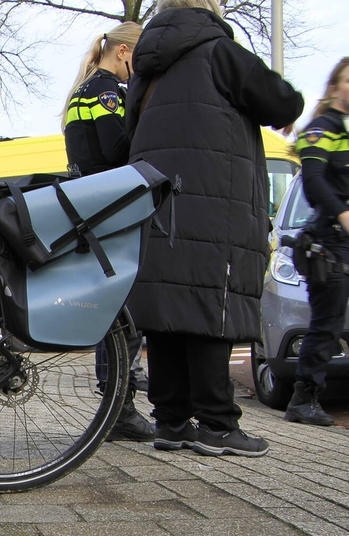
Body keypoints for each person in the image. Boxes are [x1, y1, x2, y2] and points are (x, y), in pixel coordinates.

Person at [124, 0, 303, 457]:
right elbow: (282, 100)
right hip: (213, 203)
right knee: (210, 307)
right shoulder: (219, 51)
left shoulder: (147, 65)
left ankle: (170, 421)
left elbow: (130, 129)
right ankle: (218, 424)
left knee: (165, 309)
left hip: (158, 203)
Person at [62, 21, 153, 443]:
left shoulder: (80, 91)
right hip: (110, 206)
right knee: (124, 314)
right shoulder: (107, 92)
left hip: (87, 203)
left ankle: (117, 403)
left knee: (114, 311)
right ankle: (120, 406)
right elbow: (117, 151)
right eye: (137, 59)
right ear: (122, 52)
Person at [284, 58, 349, 427]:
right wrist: (342, 215)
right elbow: (314, 181)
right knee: (327, 323)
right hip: (330, 241)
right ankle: (303, 398)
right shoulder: (321, 130)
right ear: (333, 87)